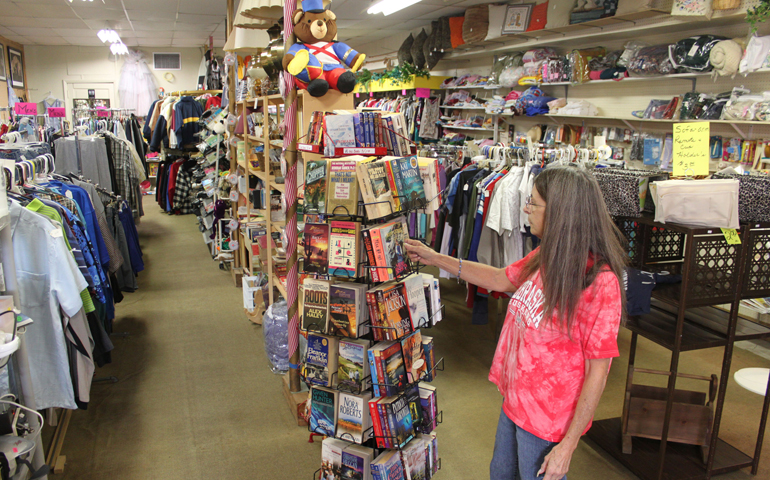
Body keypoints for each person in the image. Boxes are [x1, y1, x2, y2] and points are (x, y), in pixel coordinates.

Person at [404, 166, 626, 480]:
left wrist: (568, 446)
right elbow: (498, 278)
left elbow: (598, 372)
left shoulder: (599, 283)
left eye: (534, 203)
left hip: (547, 421)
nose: (526, 208)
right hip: (516, 404)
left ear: (561, 213)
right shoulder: (548, 255)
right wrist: (436, 257)